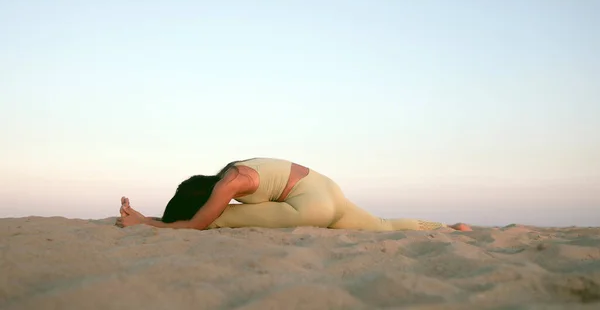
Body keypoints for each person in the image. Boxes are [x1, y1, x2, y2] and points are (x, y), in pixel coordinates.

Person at [116, 157, 472, 232]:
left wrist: (149, 222)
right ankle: (449, 229)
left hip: (312, 208)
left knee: (218, 219)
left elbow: (201, 222)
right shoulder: (236, 167)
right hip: (329, 191)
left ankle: (145, 222)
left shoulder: (227, 186)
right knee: (383, 226)